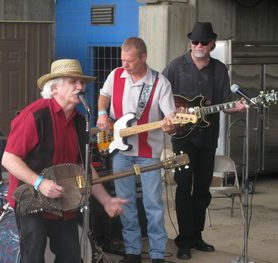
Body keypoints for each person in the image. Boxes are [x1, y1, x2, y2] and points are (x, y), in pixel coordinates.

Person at [2, 59, 127, 263]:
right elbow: (8, 158)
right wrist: (39, 183)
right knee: (32, 258)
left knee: (70, 256)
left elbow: (84, 168)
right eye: (73, 82)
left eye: (81, 82)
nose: (80, 87)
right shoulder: (35, 115)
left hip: (64, 200)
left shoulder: (80, 121)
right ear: (54, 88)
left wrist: (105, 200)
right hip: (31, 200)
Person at [162, 22, 247, 260]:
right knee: (183, 187)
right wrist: (169, 118)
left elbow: (225, 102)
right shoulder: (176, 66)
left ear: (211, 44)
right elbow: (161, 96)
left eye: (203, 42)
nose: (198, 46)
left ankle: (196, 235)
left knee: (202, 189)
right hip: (181, 139)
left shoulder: (219, 69)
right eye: (194, 42)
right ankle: (183, 240)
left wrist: (236, 107)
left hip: (208, 139)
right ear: (190, 43)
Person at [96, 37, 176, 263]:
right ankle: (132, 252)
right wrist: (102, 113)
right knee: (125, 203)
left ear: (143, 57)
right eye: (122, 60)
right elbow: (104, 95)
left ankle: (158, 254)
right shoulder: (116, 75)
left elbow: (171, 119)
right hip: (120, 151)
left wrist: (172, 124)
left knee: (153, 204)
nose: (125, 65)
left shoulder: (161, 83)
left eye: (129, 61)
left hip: (148, 151)